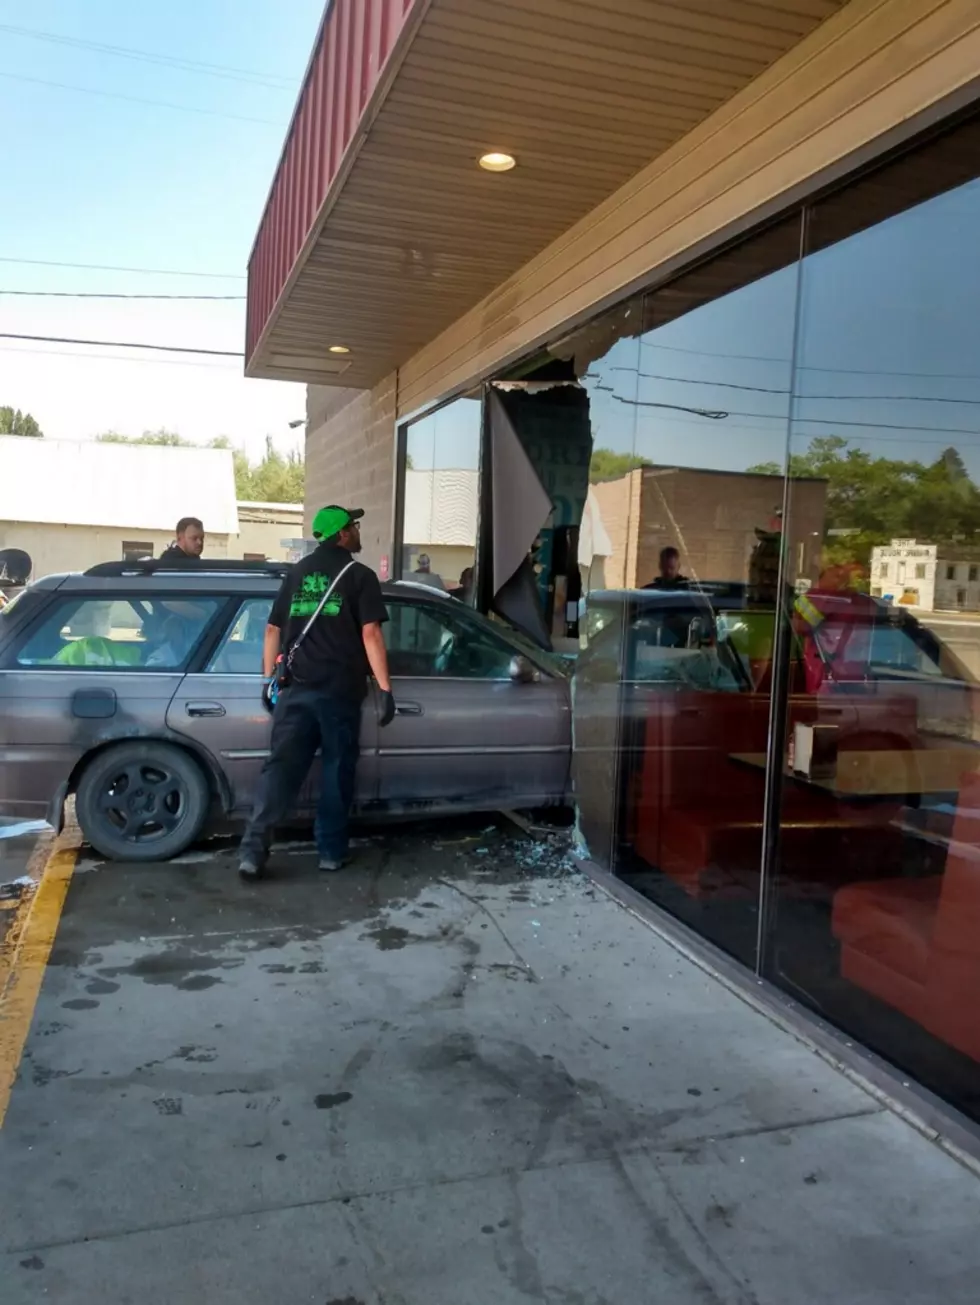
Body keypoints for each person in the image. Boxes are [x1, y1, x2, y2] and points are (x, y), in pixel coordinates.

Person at [238, 505, 395, 881]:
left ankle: (253, 852)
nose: (358, 531)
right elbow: (370, 634)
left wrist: (267, 680)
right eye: (354, 526)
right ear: (341, 534)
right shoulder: (359, 576)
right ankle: (329, 852)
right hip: (339, 692)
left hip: (294, 690)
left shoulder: (296, 572)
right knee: (337, 769)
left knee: (280, 771)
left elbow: (272, 630)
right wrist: (386, 689)